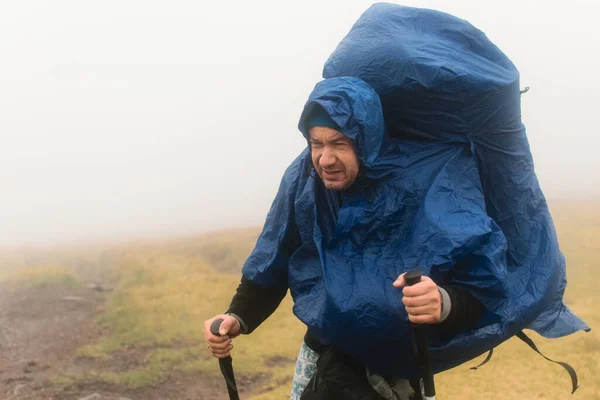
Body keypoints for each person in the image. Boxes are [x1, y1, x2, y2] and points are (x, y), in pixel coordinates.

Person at [204, 5, 588, 400]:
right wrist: (238, 316)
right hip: (324, 359)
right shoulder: (305, 179)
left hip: (401, 375)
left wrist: (443, 302)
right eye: (316, 143)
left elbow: (484, 283)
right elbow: (276, 254)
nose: (325, 158)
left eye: (339, 143)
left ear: (367, 138)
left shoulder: (430, 182)